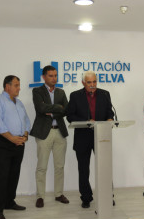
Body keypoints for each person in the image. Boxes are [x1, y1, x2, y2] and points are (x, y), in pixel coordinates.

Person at [67, 71, 114, 208]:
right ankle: (86, 197)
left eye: (94, 82)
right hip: (82, 137)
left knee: (105, 168)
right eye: (89, 82)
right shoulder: (75, 96)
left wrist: (110, 119)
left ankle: (107, 196)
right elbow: (70, 116)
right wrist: (87, 121)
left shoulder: (105, 94)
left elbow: (109, 112)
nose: (93, 85)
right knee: (83, 169)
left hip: (101, 136)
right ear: (83, 83)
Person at [0, 75, 31, 219]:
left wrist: (25, 135)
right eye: (16, 85)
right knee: (2, 175)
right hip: (4, 142)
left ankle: (9, 202)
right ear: (7, 87)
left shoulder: (19, 103)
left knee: (14, 174)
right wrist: (12, 138)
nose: (19, 88)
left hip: (19, 142)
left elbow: (26, 120)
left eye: (19, 85)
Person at [30, 65, 69, 208]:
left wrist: (52, 110)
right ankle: (40, 196)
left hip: (59, 132)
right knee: (42, 166)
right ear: (44, 77)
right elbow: (40, 108)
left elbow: (66, 110)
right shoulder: (37, 91)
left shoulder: (61, 92)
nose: (54, 78)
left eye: (55, 75)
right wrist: (57, 108)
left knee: (60, 166)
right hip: (43, 132)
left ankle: (59, 194)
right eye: (51, 76)